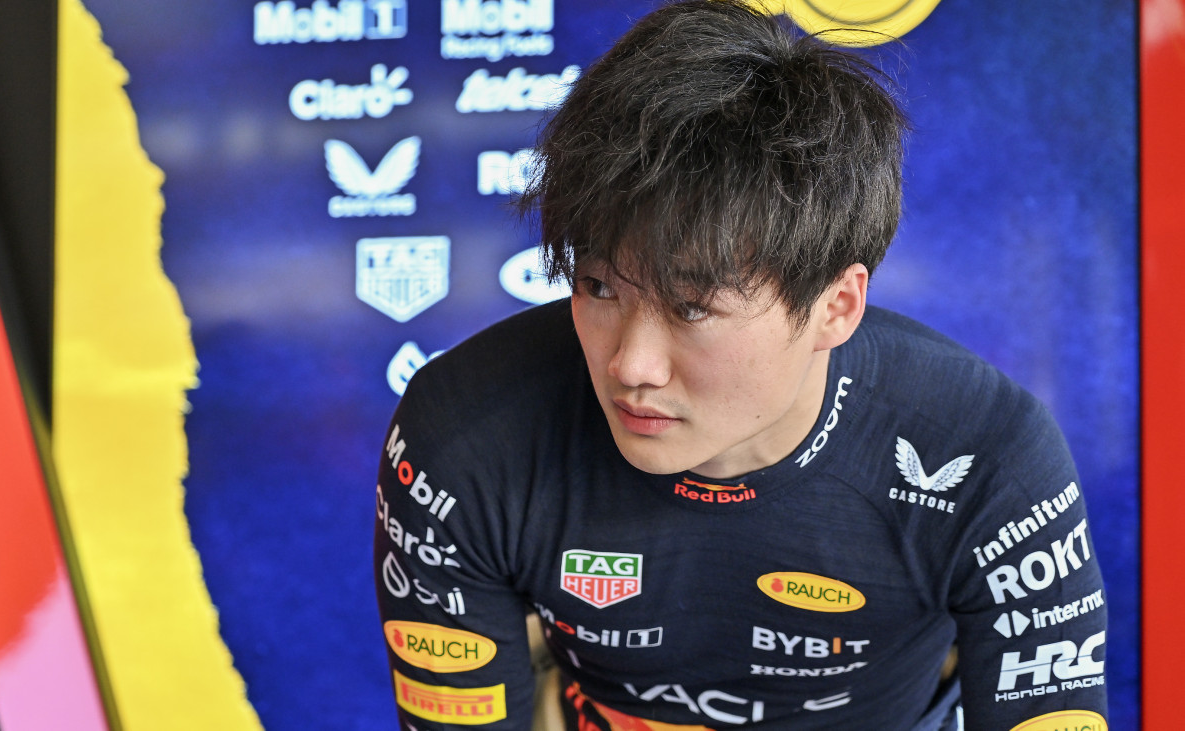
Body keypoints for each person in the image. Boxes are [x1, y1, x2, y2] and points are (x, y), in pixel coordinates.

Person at [373, 1, 1108, 728]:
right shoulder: (462, 436)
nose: (630, 363)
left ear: (836, 306)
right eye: (598, 286)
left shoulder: (986, 454)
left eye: (693, 307)